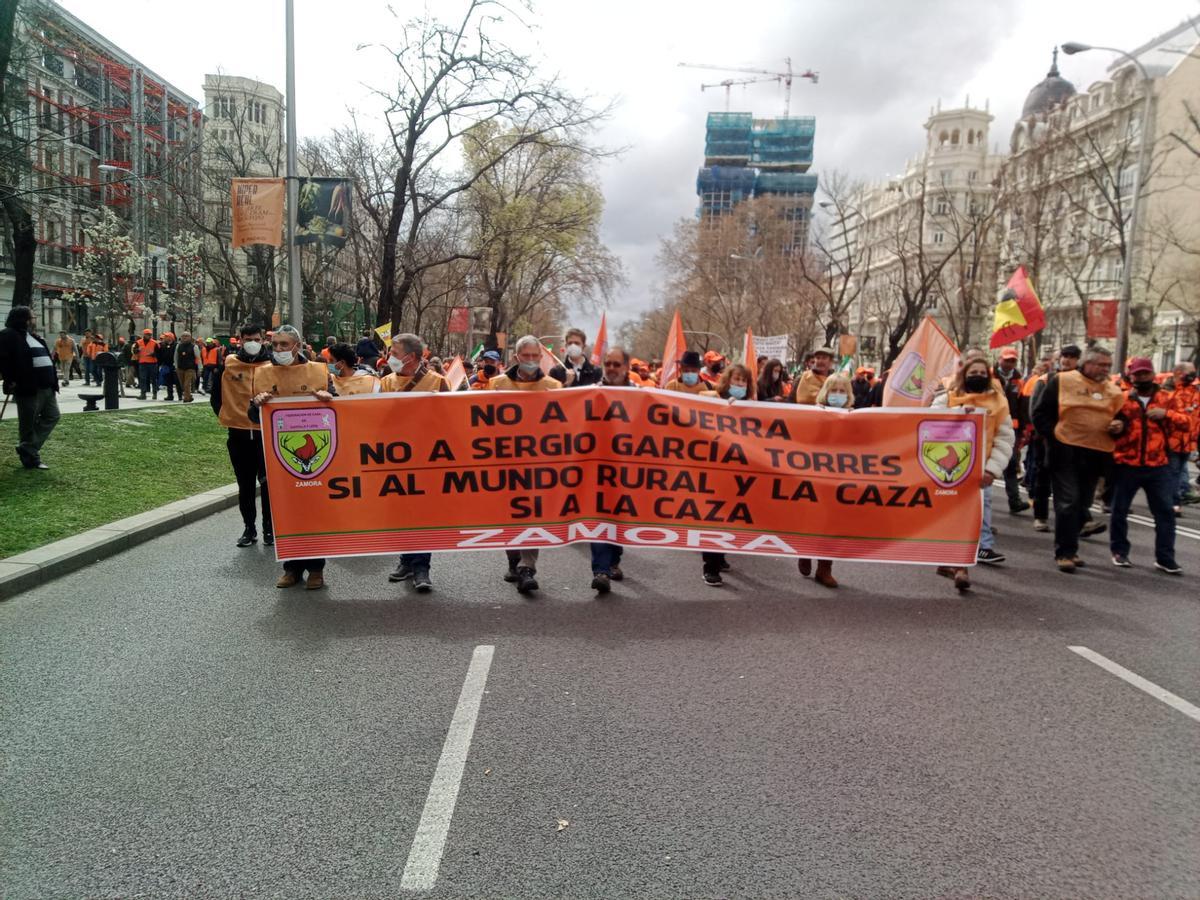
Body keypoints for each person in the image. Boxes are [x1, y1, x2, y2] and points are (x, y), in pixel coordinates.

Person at [248, 325, 333, 589]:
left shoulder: (319, 371)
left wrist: (330, 398)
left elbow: (338, 409)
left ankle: (316, 568)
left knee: (313, 511)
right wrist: (256, 404)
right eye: (276, 345)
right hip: (278, 455)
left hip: (316, 459)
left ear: (297, 345)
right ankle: (291, 567)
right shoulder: (262, 374)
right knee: (284, 511)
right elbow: (253, 418)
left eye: (285, 345)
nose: (280, 350)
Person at [1032, 345, 1124, 572]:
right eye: (1101, 365)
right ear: (1087, 363)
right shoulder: (1061, 380)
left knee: (1082, 503)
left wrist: (1120, 426)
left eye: (1108, 366)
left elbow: (1122, 418)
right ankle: (1064, 553)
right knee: (1068, 502)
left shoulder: (1114, 390)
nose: (1105, 369)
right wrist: (1054, 437)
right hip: (1065, 453)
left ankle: (1071, 549)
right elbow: (1040, 413)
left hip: (1095, 455)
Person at [932, 351, 1016, 590]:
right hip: (948, 472)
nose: (977, 376)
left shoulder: (999, 404)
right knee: (950, 518)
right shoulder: (947, 399)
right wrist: (957, 415)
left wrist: (992, 470)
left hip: (980, 473)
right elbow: (928, 422)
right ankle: (949, 561)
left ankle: (961, 566)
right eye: (973, 373)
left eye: (982, 373)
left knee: (973, 519)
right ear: (964, 375)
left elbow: (1004, 439)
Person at [488, 334, 562, 595]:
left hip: (539, 464)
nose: (531, 360)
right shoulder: (497, 384)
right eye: (526, 356)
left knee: (533, 513)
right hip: (506, 461)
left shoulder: (554, 386)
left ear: (541, 358)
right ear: (517, 357)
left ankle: (527, 567)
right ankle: (513, 560)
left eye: (535, 356)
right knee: (511, 513)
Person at [381, 333, 449, 593]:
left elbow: (448, 421)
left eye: (395, 353)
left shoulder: (438, 382)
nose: (391, 358)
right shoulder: (385, 382)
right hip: (394, 459)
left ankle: (422, 567)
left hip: (426, 459)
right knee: (402, 512)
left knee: (423, 514)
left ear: (412, 357)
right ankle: (406, 561)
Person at [1107, 357, 1187, 574]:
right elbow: (1105, 424)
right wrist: (1115, 427)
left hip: (1158, 464)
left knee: (1165, 513)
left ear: (1152, 374)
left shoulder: (1167, 398)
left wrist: (1166, 414)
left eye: (1145, 373)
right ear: (1130, 376)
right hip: (1126, 463)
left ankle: (1165, 558)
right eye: (1137, 374)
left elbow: (1187, 423)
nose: (1141, 377)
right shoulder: (1121, 399)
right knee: (1119, 511)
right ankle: (1119, 552)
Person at [211, 324, 275, 547]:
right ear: (239, 340)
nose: (252, 342)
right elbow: (216, 395)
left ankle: (269, 529)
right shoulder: (228, 364)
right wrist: (226, 414)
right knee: (245, 485)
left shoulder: (273, 364)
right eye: (248, 338)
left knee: (269, 485)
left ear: (262, 340)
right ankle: (249, 528)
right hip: (237, 434)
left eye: (256, 338)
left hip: (265, 435)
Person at [795, 373, 856, 588]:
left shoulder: (856, 418)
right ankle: (805, 550)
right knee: (812, 518)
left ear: (848, 394)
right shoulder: (812, 414)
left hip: (839, 479)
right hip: (814, 475)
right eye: (833, 391)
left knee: (832, 523)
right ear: (825, 393)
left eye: (842, 391)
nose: (837, 395)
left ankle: (824, 568)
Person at [589, 346, 638, 594]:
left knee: (617, 518)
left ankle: (614, 560)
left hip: (626, 471)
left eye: (616, 364)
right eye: (607, 363)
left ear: (626, 368)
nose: (611, 368)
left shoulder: (641, 396)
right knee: (598, 517)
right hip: (596, 469)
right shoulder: (591, 394)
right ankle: (601, 570)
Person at [0, 306, 60, 470]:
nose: (34, 320)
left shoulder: (34, 337)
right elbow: (4, 360)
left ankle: (27, 447)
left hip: (47, 387)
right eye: (32, 317)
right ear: (24, 319)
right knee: (28, 424)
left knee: (52, 416)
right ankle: (31, 458)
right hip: (28, 387)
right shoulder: (8, 335)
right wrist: (10, 379)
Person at [993, 347, 1029, 514]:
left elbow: (1023, 407)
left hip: (1011, 429)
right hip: (990, 426)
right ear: (1000, 359)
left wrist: (1023, 430)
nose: (1009, 363)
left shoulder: (1019, 382)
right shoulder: (989, 376)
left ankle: (1014, 501)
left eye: (1012, 360)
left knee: (1011, 463)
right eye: (1007, 360)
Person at [1166, 361, 1200, 514]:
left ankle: (1174, 499)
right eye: (1190, 372)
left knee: (1179, 472)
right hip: (1172, 440)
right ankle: (1173, 503)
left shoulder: (1195, 392)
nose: (1193, 375)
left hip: (1188, 442)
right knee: (1173, 473)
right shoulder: (1168, 392)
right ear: (1179, 373)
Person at [174, 331, 202, 402]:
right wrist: (176, 366)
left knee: (187, 384)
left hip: (190, 368)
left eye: (186, 336)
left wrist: (200, 368)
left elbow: (198, 358)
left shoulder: (194, 347)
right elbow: (176, 357)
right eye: (183, 336)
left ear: (190, 337)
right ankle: (189, 396)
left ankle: (186, 398)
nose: (185, 337)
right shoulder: (178, 346)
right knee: (182, 384)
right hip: (180, 368)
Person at [135, 328, 159, 399]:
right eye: (147, 334)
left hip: (152, 363)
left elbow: (159, 353)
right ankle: (143, 394)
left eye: (150, 335)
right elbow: (134, 351)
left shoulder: (155, 343)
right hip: (142, 363)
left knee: (154, 379)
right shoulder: (138, 342)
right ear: (144, 335)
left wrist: (153, 354)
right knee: (142, 379)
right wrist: (137, 350)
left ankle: (154, 393)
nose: (149, 336)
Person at [156, 332, 178, 401]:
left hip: (174, 366)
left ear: (170, 338)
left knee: (177, 381)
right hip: (166, 365)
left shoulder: (176, 345)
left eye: (166, 336)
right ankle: (170, 395)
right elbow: (159, 355)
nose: (164, 338)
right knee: (169, 382)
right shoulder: (162, 345)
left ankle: (180, 395)